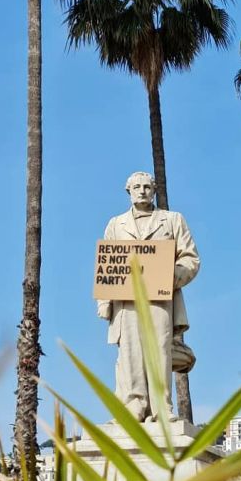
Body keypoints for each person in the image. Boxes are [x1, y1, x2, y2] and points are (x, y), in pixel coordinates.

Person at [97, 172, 200, 422]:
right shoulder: (115, 224)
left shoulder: (172, 219)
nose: (142, 191)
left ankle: (161, 407)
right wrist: (104, 301)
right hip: (126, 301)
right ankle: (134, 405)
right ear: (128, 191)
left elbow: (190, 258)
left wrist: (168, 275)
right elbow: (108, 264)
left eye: (146, 187)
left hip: (160, 299)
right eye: (137, 187)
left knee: (159, 349)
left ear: (154, 190)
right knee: (130, 352)